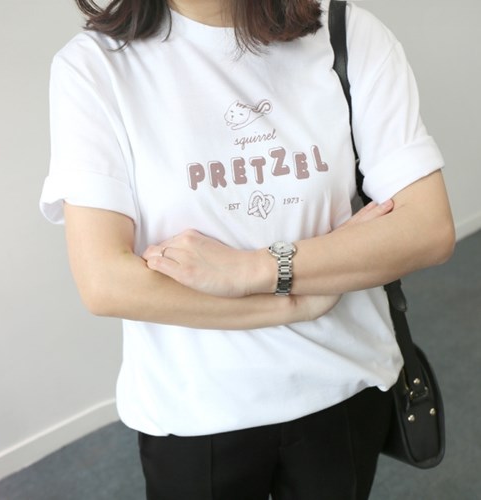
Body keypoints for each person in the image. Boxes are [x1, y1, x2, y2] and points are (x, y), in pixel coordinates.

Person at [40, 0, 455, 498]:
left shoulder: (344, 30)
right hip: (196, 409)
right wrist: (294, 304)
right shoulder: (94, 66)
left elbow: (427, 228)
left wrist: (253, 271)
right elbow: (106, 282)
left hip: (342, 381)